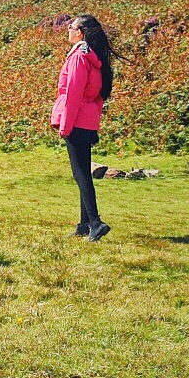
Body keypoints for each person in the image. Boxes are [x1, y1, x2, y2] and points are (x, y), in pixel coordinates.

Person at [50, 15, 115, 241]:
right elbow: (95, 96)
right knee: (83, 172)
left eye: (71, 27)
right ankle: (84, 224)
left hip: (76, 121)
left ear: (80, 33)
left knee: (80, 175)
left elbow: (73, 93)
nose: (68, 29)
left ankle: (96, 222)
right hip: (87, 120)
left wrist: (65, 125)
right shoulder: (93, 58)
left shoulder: (78, 57)